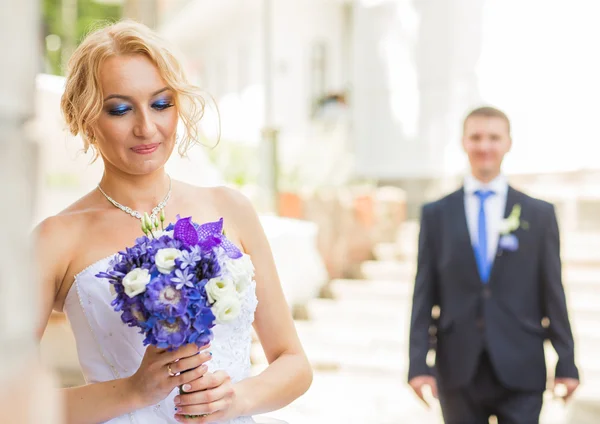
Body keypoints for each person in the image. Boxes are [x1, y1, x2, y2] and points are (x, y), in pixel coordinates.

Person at [35, 20, 312, 424]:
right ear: (87, 117)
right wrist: (130, 392)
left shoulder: (231, 209)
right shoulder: (55, 238)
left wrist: (236, 399)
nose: (146, 127)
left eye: (161, 104)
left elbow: (294, 363)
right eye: (120, 109)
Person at [407, 106, 579, 424]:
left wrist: (566, 362)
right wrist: (418, 364)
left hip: (522, 365)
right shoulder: (436, 215)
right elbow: (423, 292)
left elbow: (553, 291)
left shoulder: (538, 215)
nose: (484, 146)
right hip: (457, 367)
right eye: (476, 137)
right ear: (463, 142)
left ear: (508, 143)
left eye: (493, 138)